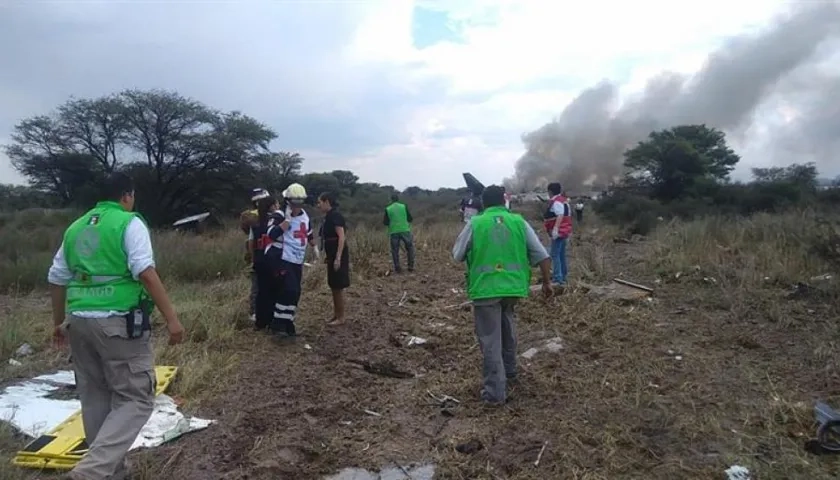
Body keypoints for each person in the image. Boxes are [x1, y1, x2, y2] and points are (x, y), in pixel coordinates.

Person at [48, 172, 185, 480]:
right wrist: (173, 320)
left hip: (78, 321)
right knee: (136, 399)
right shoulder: (128, 223)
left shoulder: (76, 227)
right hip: (117, 323)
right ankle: (89, 473)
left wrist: (58, 323)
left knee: (96, 397)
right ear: (127, 195)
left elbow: (56, 277)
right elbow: (145, 272)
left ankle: (112, 472)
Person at [452, 185, 552, 406]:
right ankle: (511, 372)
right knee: (507, 328)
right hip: (514, 288)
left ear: (484, 203)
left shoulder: (476, 223)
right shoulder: (519, 222)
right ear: (504, 201)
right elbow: (542, 256)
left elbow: (457, 255)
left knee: (490, 341)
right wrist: (546, 283)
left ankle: (495, 394)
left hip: (485, 289)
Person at [250, 183, 314, 340]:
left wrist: (315, 247)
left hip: (297, 259)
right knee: (288, 290)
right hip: (280, 258)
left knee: (295, 292)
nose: (297, 206)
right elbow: (270, 234)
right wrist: (285, 223)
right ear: (288, 201)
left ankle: (287, 323)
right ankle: (278, 325)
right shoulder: (278, 215)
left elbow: (308, 232)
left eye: (300, 202)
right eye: (294, 202)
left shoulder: (304, 216)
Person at [317, 191, 350, 326]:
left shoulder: (336, 216)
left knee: (337, 285)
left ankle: (341, 317)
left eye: (320, 202)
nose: (318, 205)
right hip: (331, 254)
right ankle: (336, 315)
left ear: (327, 202)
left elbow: (341, 237)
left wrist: (338, 257)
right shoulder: (328, 217)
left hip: (338, 254)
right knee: (333, 285)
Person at [241, 187, 269, 322]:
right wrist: (252, 259)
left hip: (269, 255)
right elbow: (250, 240)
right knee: (256, 286)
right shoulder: (252, 218)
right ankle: (254, 312)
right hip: (258, 255)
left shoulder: (273, 216)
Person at [543, 182, 572, 285]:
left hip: (559, 232)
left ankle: (558, 278)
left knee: (555, 254)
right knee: (561, 254)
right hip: (565, 230)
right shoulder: (564, 201)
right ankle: (563, 276)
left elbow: (560, 215)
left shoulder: (556, 202)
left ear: (550, 191)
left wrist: (555, 229)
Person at [383, 194, 416, 273]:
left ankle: (397, 268)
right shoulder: (404, 206)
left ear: (391, 200)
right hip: (405, 230)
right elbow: (410, 218)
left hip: (394, 231)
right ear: (398, 199)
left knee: (395, 250)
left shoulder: (388, 209)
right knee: (410, 248)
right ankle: (410, 266)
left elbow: (385, 222)